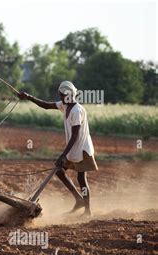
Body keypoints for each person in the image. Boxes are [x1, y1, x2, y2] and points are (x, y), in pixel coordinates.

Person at [17, 81, 98, 216]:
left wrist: (63, 155)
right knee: (60, 172)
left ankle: (87, 210)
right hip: (73, 149)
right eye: (60, 95)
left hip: (82, 148)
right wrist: (29, 97)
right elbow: (47, 106)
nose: (60, 98)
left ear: (68, 95)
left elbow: (75, 136)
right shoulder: (64, 105)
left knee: (81, 178)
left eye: (61, 95)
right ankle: (78, 199)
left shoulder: (77, 111)